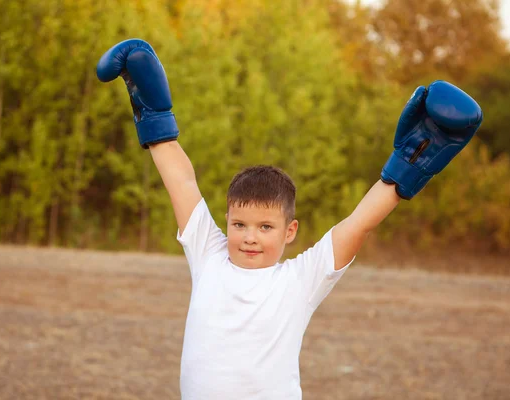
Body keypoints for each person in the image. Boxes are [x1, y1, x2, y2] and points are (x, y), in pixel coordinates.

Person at [96, 39, 482, 399]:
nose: (249, 237)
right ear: (226, 221)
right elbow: (181, 182)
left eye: (265, 227)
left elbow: (358, 223)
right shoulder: (208, 254)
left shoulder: (299, 280)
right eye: (239, 225)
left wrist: (409, 166)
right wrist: (154, 116)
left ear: (290, 231)